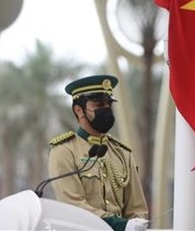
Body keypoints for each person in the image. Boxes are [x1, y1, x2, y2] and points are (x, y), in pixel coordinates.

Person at [48, 74, 149, 231]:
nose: (106, 109)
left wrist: (136, 224)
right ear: (79, 110)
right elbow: (73, 205)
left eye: (109, 104)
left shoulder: (122, 153)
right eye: (99, 104)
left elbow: (137, 208)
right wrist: (118, 225)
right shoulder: (64, 151)